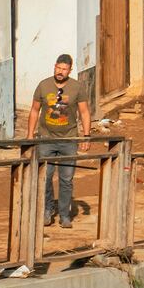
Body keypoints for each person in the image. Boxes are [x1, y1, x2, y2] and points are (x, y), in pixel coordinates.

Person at [26, 54, 90, 227]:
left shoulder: (76, 87)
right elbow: (34, 111)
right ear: (54, 66)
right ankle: (47, 210)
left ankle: (64, 214)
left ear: (70, 70)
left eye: (64, 69)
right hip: (46, 138)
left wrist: (86, 136)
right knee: (45, 177)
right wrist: (30, 135)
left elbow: (84, 112)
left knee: (66, 179)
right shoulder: (43, 85)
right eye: (58, 68)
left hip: (69, 139)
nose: (60, 72)